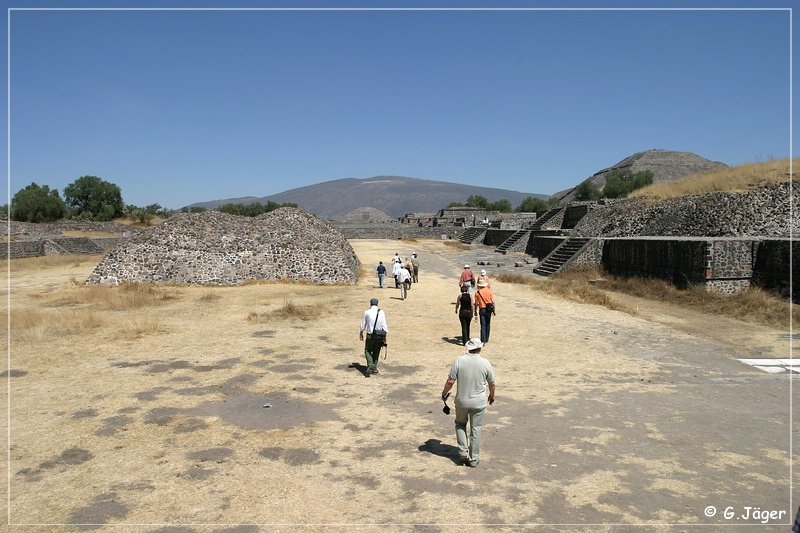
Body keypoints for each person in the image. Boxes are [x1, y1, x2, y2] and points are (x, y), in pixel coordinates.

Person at [440, 338, 496, 467]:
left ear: (468, 348)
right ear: (480, 348)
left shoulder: (459, 361)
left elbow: (450, 381)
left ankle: (463, 451)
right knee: (476, 429)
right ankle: (474, 459)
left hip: (462, 401)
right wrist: (491, 396)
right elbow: (492, 383)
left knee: (460, 424)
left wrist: (444, 394)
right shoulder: (485, 363)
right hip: (479, 402)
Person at [359, 297, 388, 377]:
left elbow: (363, 324)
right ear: (377, 304)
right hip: (379, 335)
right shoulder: (381, 312)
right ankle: (374, 368)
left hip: (370, 335)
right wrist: (385, 336)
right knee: (376, 351)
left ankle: (370, 364)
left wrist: (361, 332)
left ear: (370, 304)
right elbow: (384, 325)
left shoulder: (367, 312)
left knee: (367, 350)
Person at [473, 279, 496, 344]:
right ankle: (487, 338)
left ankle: (483, 340)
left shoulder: (477, 293)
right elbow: (493, 302)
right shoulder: (489, 291)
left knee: (483, 325)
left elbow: (476, 303)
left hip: (482, 309)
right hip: (489, 309)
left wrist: (475, 311)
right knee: (488, 324)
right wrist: (494, 310)